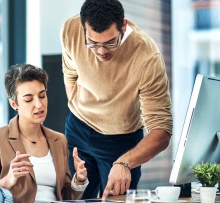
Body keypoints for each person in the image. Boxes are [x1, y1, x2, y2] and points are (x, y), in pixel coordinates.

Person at [60, 0, 173, 200]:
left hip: (121, 141)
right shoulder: (71, 30)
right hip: (78, 129)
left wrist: (125, 162)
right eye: (93, 43)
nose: (101, 51)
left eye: (110, 42)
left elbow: (161, 131)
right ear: (83, 28)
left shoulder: (146, 55)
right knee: (72, 197)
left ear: (123, 26)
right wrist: (79, 108)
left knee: (115, 200)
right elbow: (70, 74)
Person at [0, 64, 89, 203]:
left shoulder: (59, 140)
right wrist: (7, 181)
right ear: (14, 104)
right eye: (29, 99)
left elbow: (65, 197)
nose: (39, 105)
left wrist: (79, 181)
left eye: (42, 96)